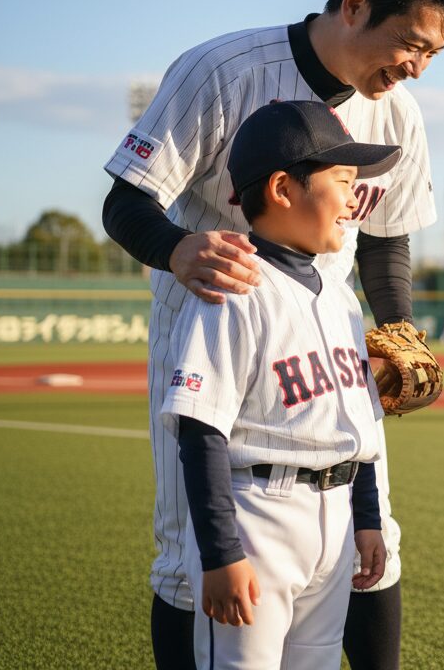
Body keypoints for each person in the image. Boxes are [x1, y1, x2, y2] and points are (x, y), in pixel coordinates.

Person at [100, 0, 444, 670]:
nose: (418, 66)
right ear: (355, 3)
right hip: (214, 317)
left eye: (434, 53)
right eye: (412, 42)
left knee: (373, 543)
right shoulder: (224, 70)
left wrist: (397, 330)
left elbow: (386, 237)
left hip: (324, 329)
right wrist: (177, 248)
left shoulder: (397, 113)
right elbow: (126, 201)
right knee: (192, 558)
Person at [166, 101, 393, 668]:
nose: (353, 199)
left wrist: (366, 517)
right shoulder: (234, 286)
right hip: (256, 517)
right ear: (283, 188)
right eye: (342, 182)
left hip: (336, 517)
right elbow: (200, 429)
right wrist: (221, 553)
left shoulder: (340, 295)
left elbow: (355, 426)